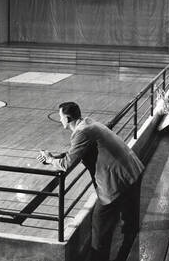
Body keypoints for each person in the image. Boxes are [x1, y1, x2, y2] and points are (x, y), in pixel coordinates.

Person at [37, 102, 144, 261]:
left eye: (61, 117)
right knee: (130, 222)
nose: (60, 120)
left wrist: (50, 159)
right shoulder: (89, 123)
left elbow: (67, 164)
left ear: (67, 118)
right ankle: (129, 250)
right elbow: (78, 151)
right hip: (133, 171)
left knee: (100, 224)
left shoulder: (81, 132)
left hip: (117, 182)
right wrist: (57, 157)